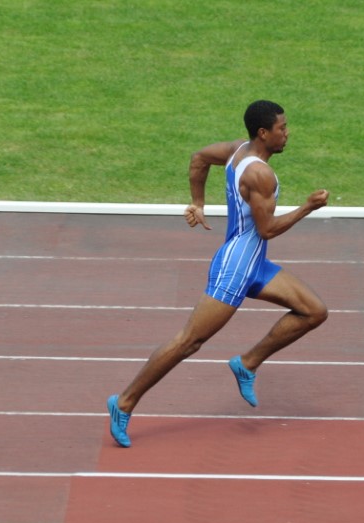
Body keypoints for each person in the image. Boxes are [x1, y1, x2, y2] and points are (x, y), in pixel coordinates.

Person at [107, 100, 329, 447]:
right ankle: (123, 402)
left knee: (314, 311)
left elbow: (198, 158)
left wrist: (198, 202)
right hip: (235, 269)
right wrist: (308, 207)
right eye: (282, 128)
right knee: (188, 342)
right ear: (263, 133)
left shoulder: (236, 150)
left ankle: (247, 363)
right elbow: (267, 229)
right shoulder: (260, 174)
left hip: (255, 264)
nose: (287, 133)